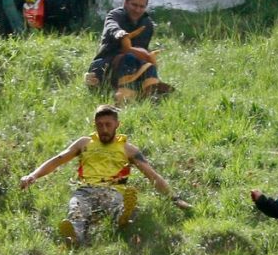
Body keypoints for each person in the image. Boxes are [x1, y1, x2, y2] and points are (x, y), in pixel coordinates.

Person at [19, 104, 190, 246]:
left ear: (117, 125)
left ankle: (124, 215)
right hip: (85, 190)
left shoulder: (128, 149)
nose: (104, 129)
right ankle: (75, 237)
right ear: (95, 125)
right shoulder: (84, 143)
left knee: (115, 203)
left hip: (112, 190)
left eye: (108, 124)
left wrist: (174, 198)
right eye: (100, 125)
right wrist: (33, 175)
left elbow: (152, 175)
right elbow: (58, 159)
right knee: (76, 210)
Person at [85, 0, 173, 100]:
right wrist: (120, 34)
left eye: (142, 6)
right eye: (134, 5)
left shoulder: (147, 24)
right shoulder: (115, 15)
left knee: (147, 65)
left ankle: (152, 92)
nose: (137, 10)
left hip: (132, 65)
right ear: (126, 2)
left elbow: (141, 52)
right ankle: (124, 94)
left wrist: (148, 58)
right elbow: (112, 26)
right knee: (129, 57)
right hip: (104, 65)